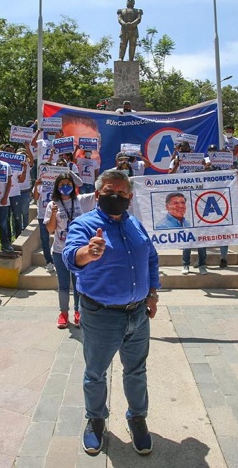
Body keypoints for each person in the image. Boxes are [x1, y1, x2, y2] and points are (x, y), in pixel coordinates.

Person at [62, 169, 159, 456]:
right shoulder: (85, 224)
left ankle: (137, 418)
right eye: (108, 192)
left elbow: (151, 259)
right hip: (101, 315)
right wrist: (88, 253)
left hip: (138, 314)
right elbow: (70, 257)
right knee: (96, 373)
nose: (115, 196)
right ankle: (95, 420)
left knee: (137, 370)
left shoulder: (136, 226)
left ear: (129, 196)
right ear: (98, 194)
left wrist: (152, 294)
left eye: (121, 192)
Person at [45, 173, 90, 328]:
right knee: (63, 284)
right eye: (62, 184)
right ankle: (64, 313)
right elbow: (50, 229)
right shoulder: (52, 204)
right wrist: (52, 214)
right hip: (59, 251)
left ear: (73, 185)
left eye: (68, 183)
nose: (65, 186)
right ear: (57, 186)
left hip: (79, 251)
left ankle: (79, 312)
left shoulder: (80, 201)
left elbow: (97, 191)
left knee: (78, 283)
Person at [168, 142, 208, 274]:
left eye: (186, 149)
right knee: (187, 234)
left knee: (200, 234)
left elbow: (206, 173)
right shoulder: (175, 160)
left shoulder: (197, 159)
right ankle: (186, 264)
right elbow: (169, 176)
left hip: (198, 199)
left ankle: (202, 264)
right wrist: (178, 164)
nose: (184, 151)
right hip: (184, 201)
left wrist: (202, 163)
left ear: (190, 149)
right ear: (178, 150)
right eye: (181, 149)